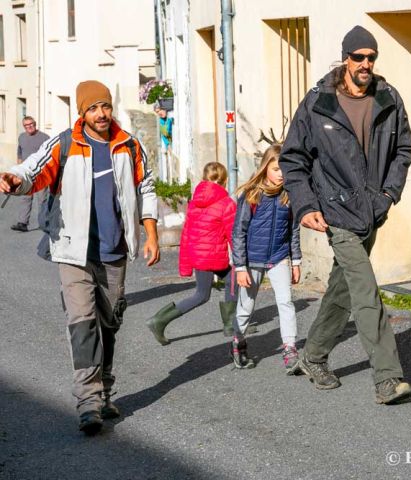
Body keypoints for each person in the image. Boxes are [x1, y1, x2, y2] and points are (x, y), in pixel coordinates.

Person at [0, 80, 160, 435]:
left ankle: (103, 388)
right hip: (73, 249)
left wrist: (150, 233)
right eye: (93, 108)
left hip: (114, 250)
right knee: (82, 321)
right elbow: (33, 170)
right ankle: (88, 401)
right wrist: (15, 178)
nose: (101, 114)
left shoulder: (128, 146)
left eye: (105, 106)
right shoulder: (65, 144)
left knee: (109, 322)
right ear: (82, 112)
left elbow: (145, 185)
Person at [279, 26, 411, 404]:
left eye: (371, 57)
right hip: (335, 211)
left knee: (343, 288)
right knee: (366, 290)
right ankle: (388, 379)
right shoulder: (319, 102)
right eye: (359, 57)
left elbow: (403, 149)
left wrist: (389, 194)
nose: (366, 64)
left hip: (373, 210)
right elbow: (293, 158)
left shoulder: (388, 98)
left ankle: (313, 356)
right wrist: (306, 206)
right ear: (346, 59)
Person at [146, 161, 238, 344]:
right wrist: (241, 259)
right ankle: (159, 320)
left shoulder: (194, 202)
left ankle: (230, 324)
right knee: (204, 294)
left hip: (199, 256)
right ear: (225, 181)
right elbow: (233, 235)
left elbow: (186, 234)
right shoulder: (226, 203)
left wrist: (185, 266)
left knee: (230, 280)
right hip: (213, 257)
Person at [231, 144, 302, 372]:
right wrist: (240, 266)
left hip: (279, 257)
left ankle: (290, 348)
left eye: (284, 169)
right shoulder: (252, 194)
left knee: (286, 302)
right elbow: (238, 232)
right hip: (252, 260)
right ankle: (238, 342)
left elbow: (294, 229)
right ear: (265, 169)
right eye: (275, 169)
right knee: (246, 306)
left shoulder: (289, 195)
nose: (280, 174)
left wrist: (296, 261)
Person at [10, 116, 50, 232]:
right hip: (25, 173)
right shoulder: (21, 137)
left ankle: (44, 223)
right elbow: (19, 153)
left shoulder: (44, 138)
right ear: (24, 127)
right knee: (25, 198)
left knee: (42, 199)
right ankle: (23, 223)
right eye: (27, 125)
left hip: (41, 173)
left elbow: (50, 155)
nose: (29, 127)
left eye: (31, 124)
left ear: (35, 124)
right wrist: (18, 169)